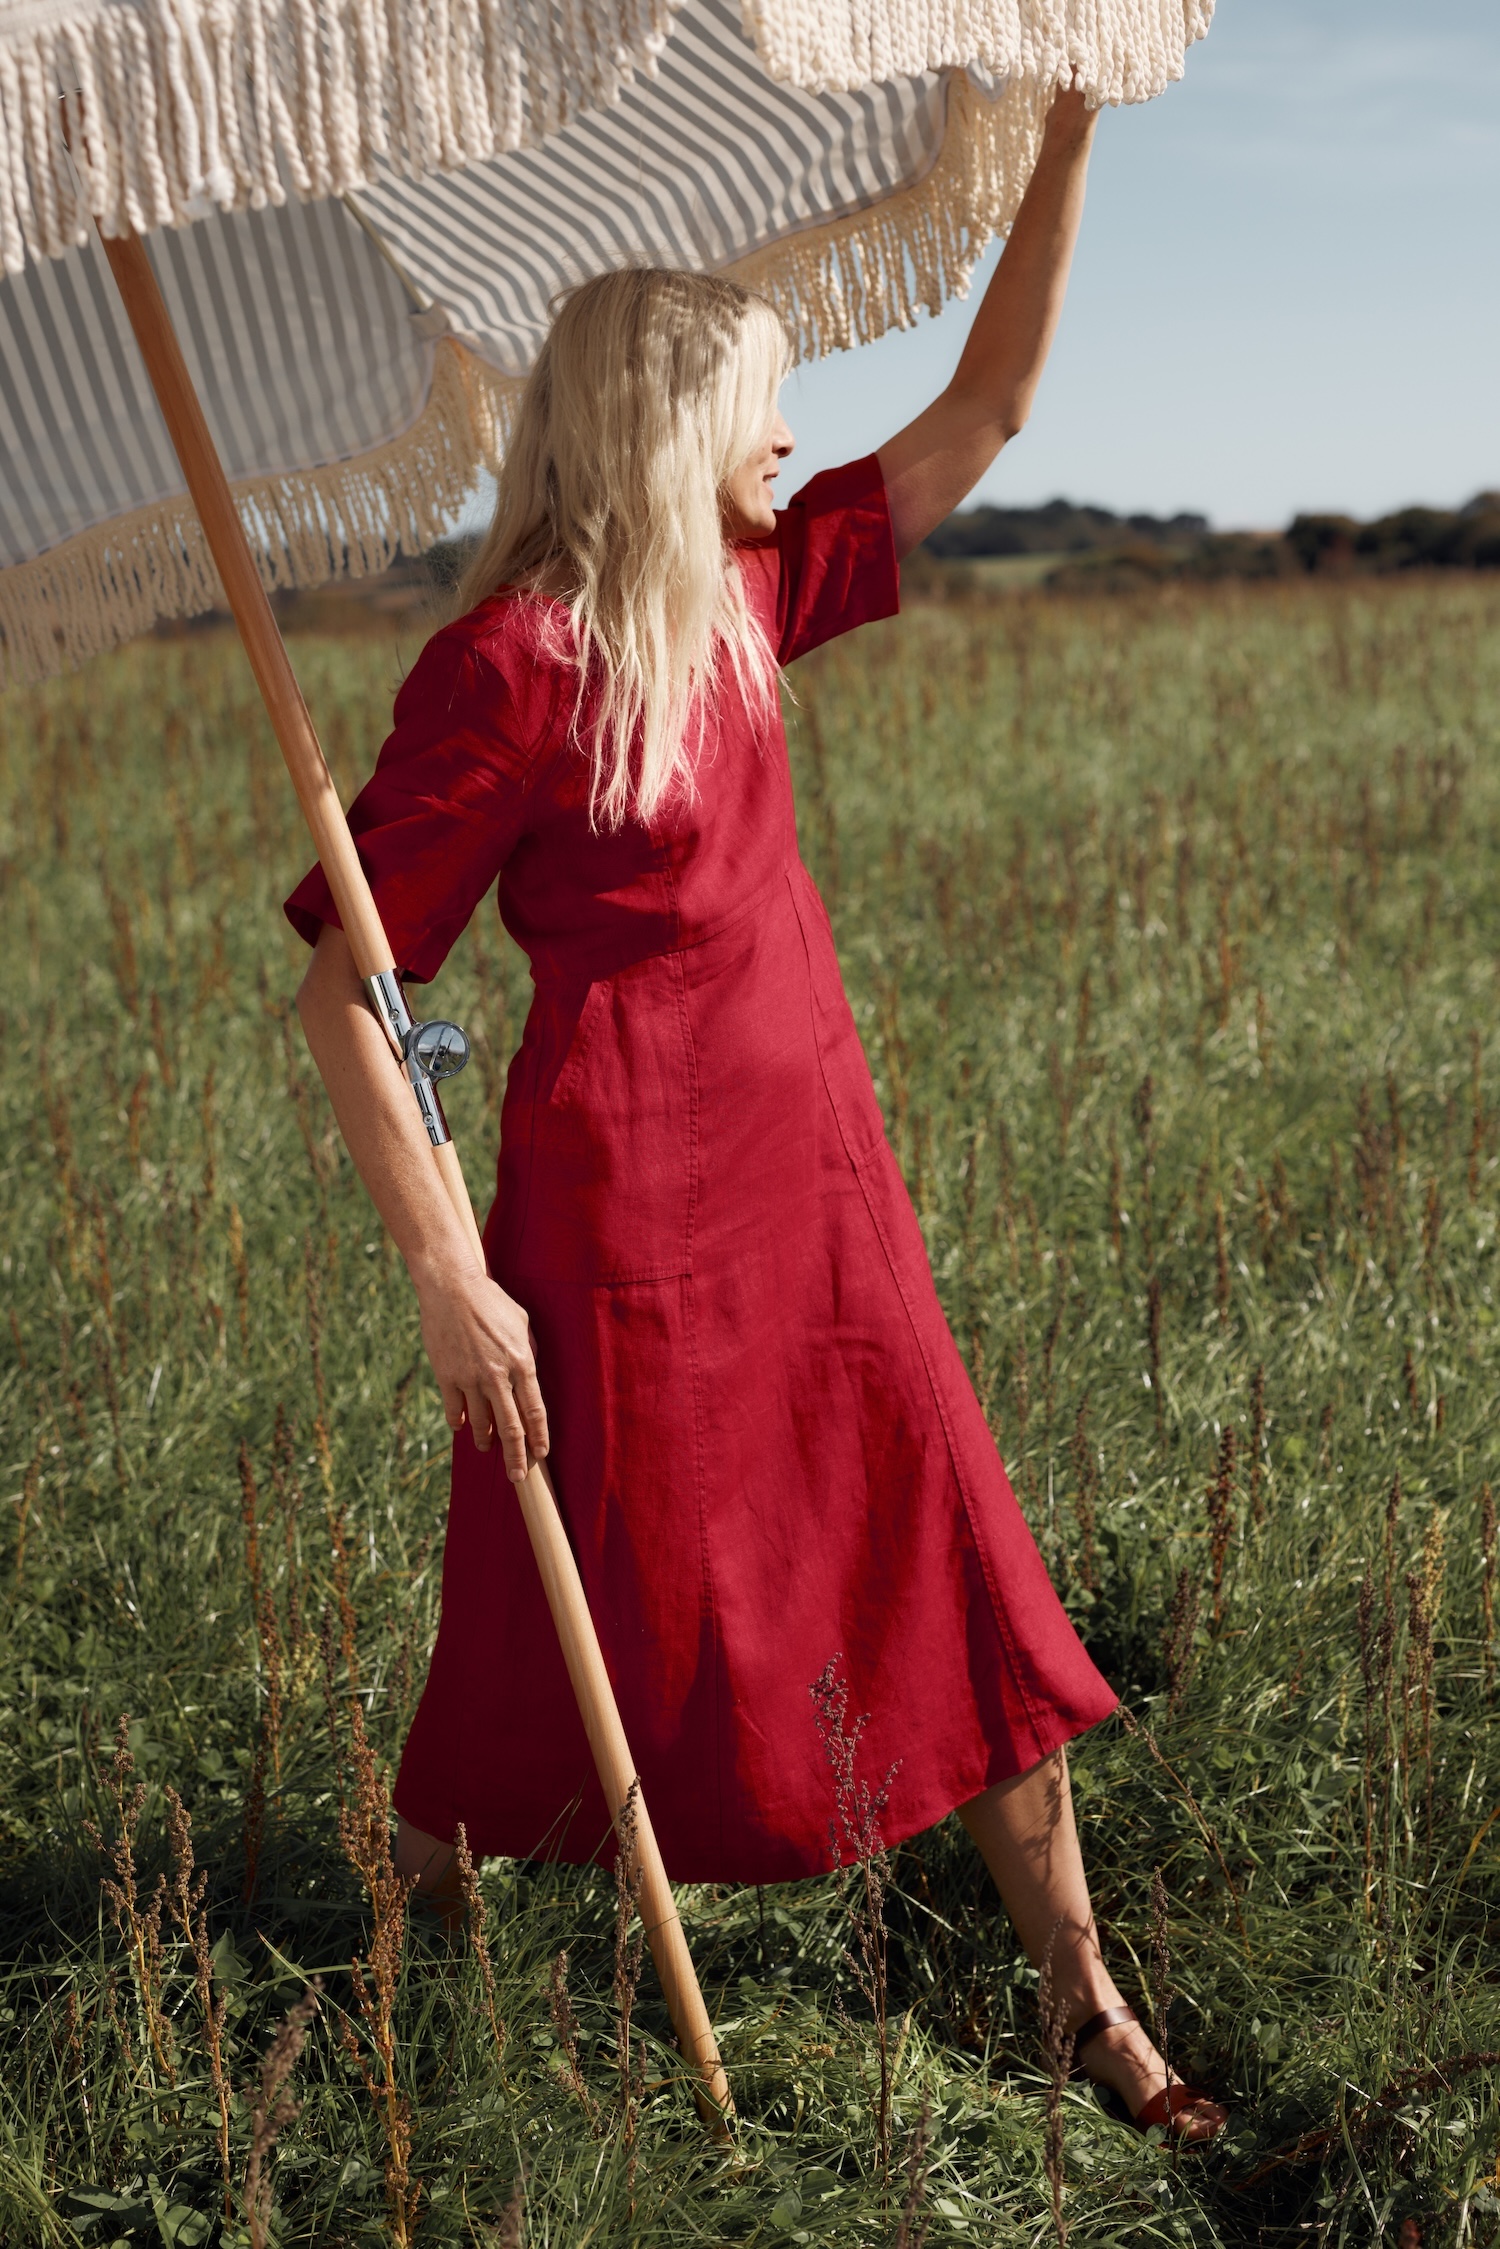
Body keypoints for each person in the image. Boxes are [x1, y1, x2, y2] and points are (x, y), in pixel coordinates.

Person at [289, 84, 1226, 2143]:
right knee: (560, 1590)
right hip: (617, 1214)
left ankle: (1085, 2003)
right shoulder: (507, 668)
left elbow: (985, 414)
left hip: (822, 1183)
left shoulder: (751, 593)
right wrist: (450, 1278)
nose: (791, 437)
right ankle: (405, 1988)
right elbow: (349, 987)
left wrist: (1071, 139)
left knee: (950, 1546)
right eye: (762, 404)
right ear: (665, 424)